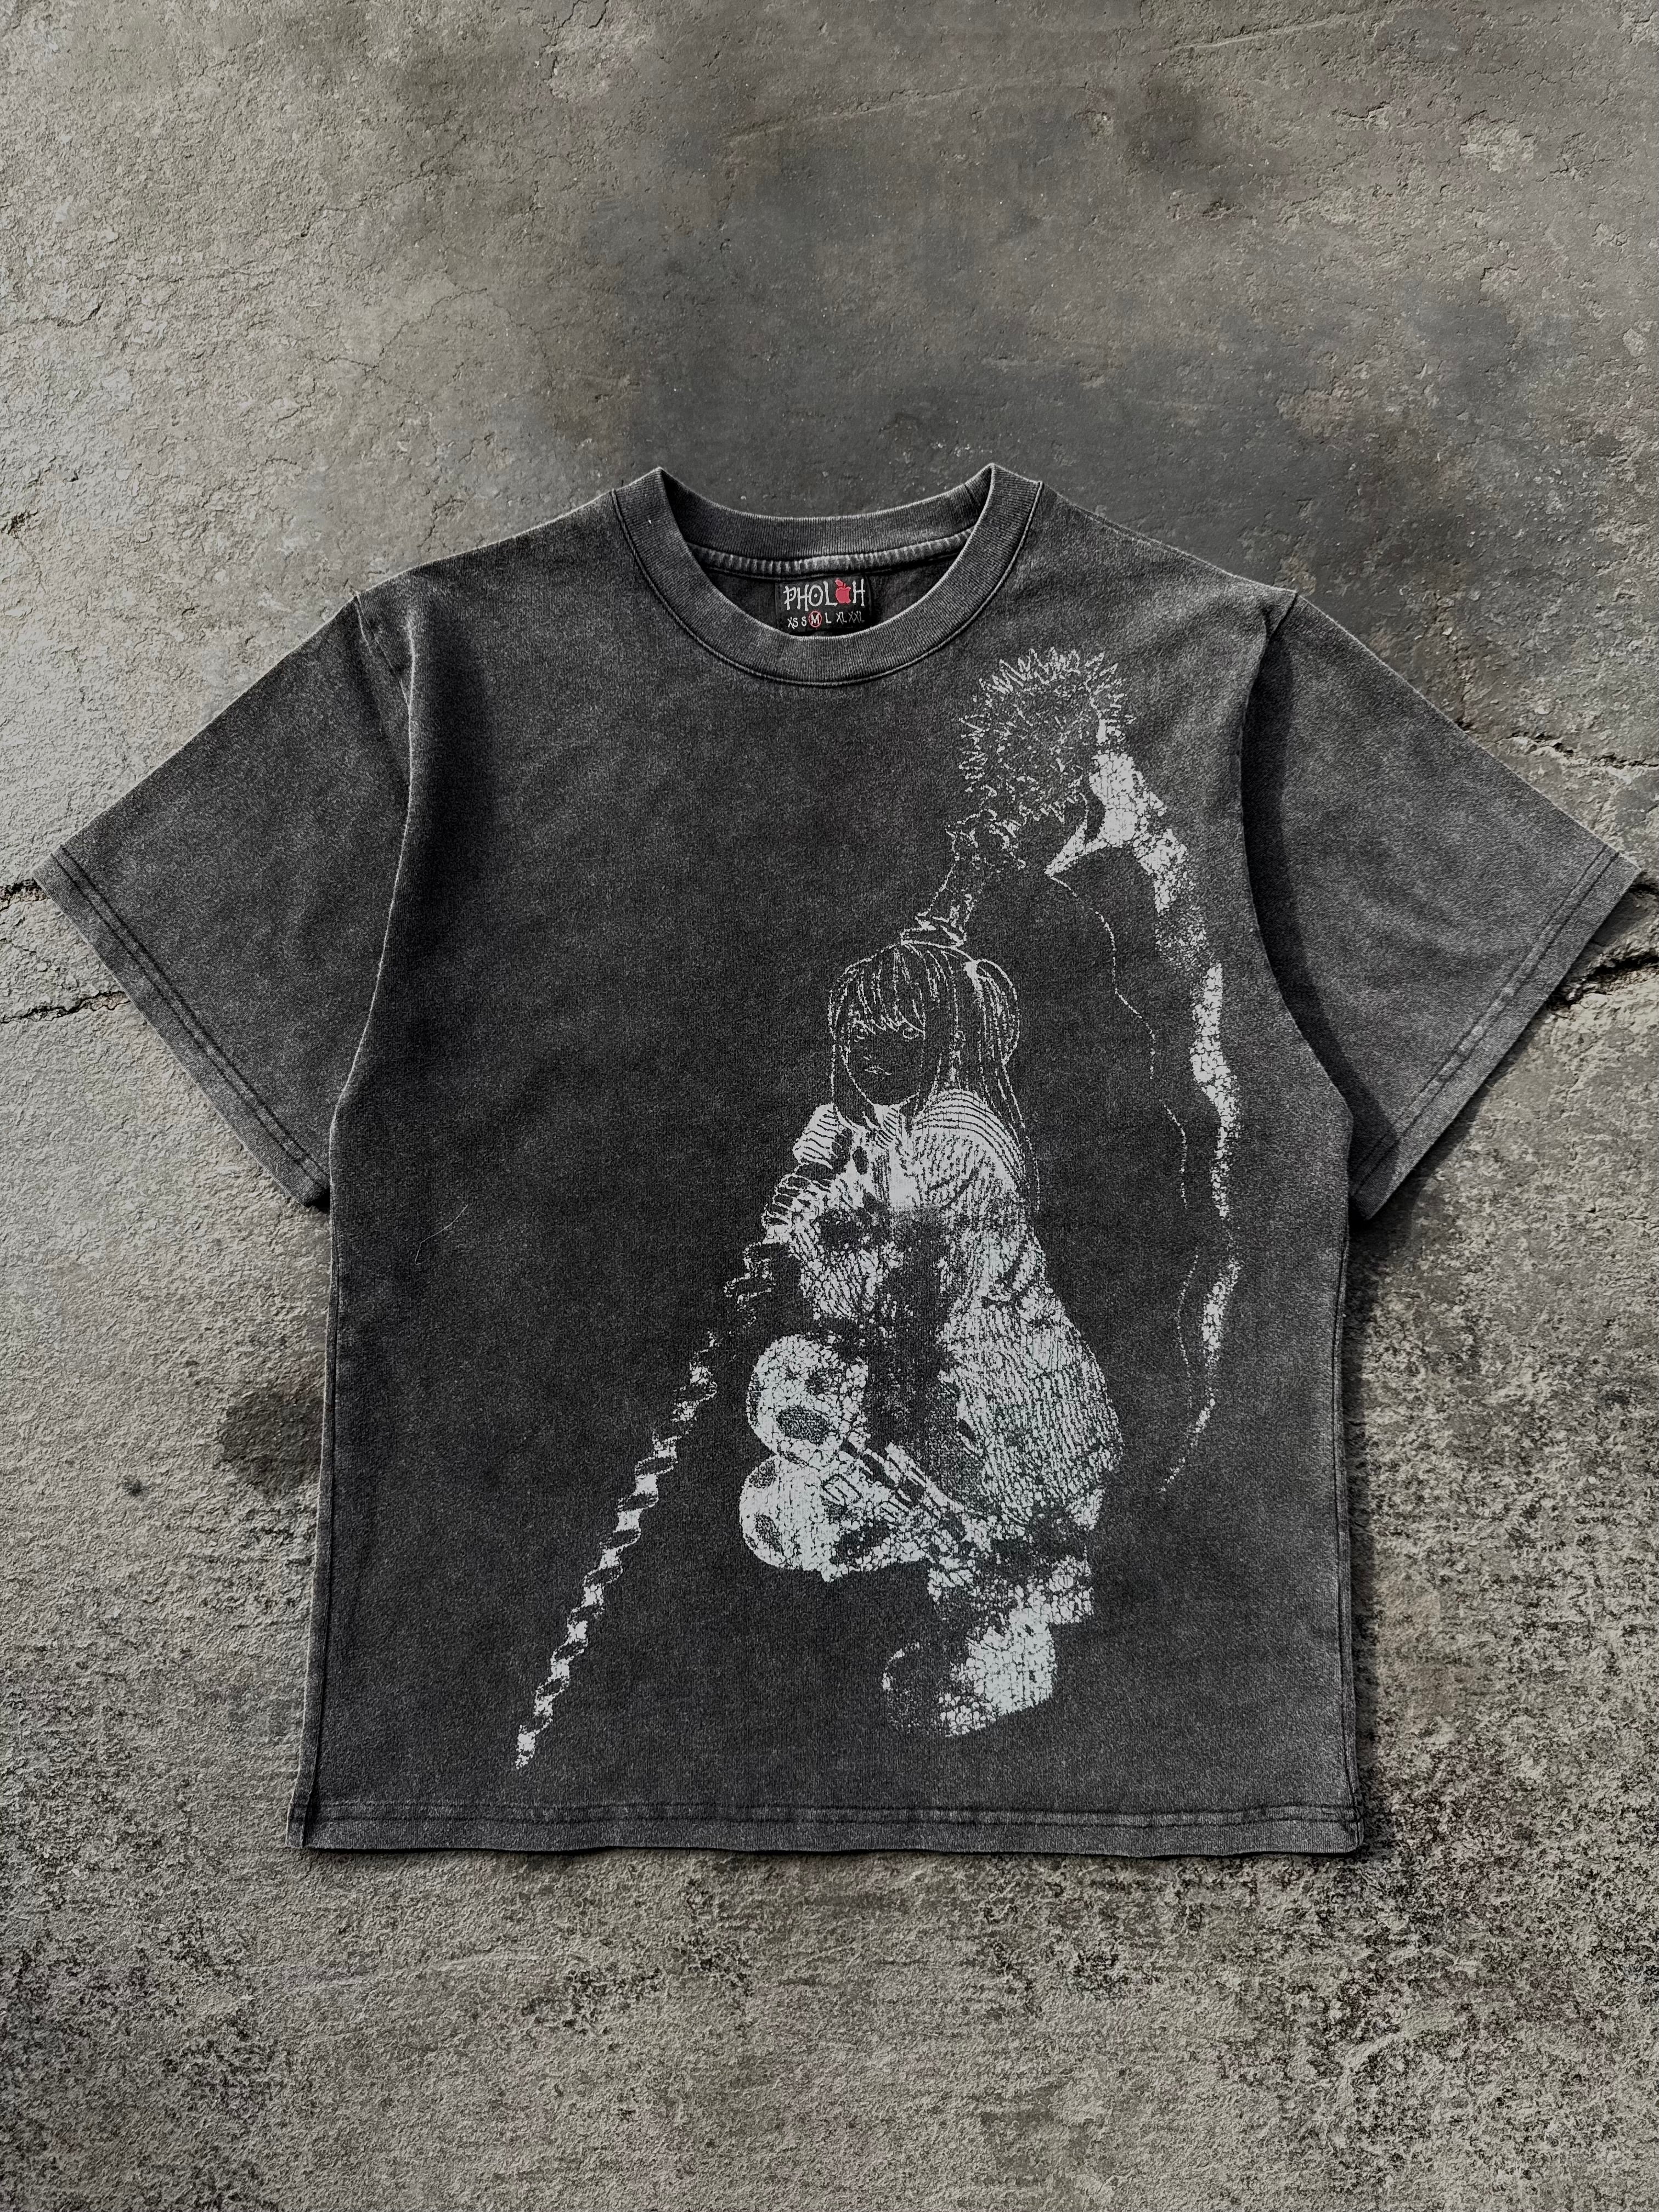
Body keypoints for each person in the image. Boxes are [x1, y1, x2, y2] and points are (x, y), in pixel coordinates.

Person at [739, 927, 1122, 1736]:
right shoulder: (906, 1130)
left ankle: (1012, 1617)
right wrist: (829, 1174)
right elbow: (881, 1226)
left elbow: (897, 1313)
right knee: (788, 1482)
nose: (870, 1059)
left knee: (793, 1398)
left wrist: (816, 1237)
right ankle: (1014, 1593)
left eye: (897, 1037)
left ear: (942, 1038)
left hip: (1001, 1413)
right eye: (856, 1039)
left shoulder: (953, 1143)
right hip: (961, 1399)